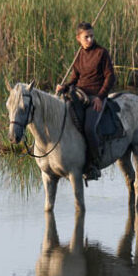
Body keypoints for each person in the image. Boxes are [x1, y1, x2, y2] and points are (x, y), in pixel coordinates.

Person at [56, 22, 116, 181]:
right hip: (79, 94)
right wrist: (64, 86)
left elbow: (110, 77)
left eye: (91, 36)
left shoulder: (101, 53)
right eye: (86, 37)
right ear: (78, 39)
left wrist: (101, 97)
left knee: (89, 128)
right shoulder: (78, 55)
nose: (89, 40)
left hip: (96, 97)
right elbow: (75, 78)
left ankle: (94, 164)